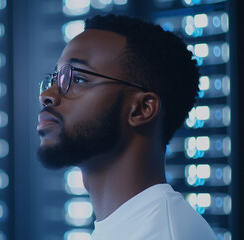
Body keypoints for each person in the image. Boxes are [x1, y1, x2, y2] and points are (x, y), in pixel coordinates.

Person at [37, 14, 217, 240]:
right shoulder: (131, 224)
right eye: (55, 79)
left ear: (142, 109)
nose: (47, 95)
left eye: (78, 79)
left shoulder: (160, 234)